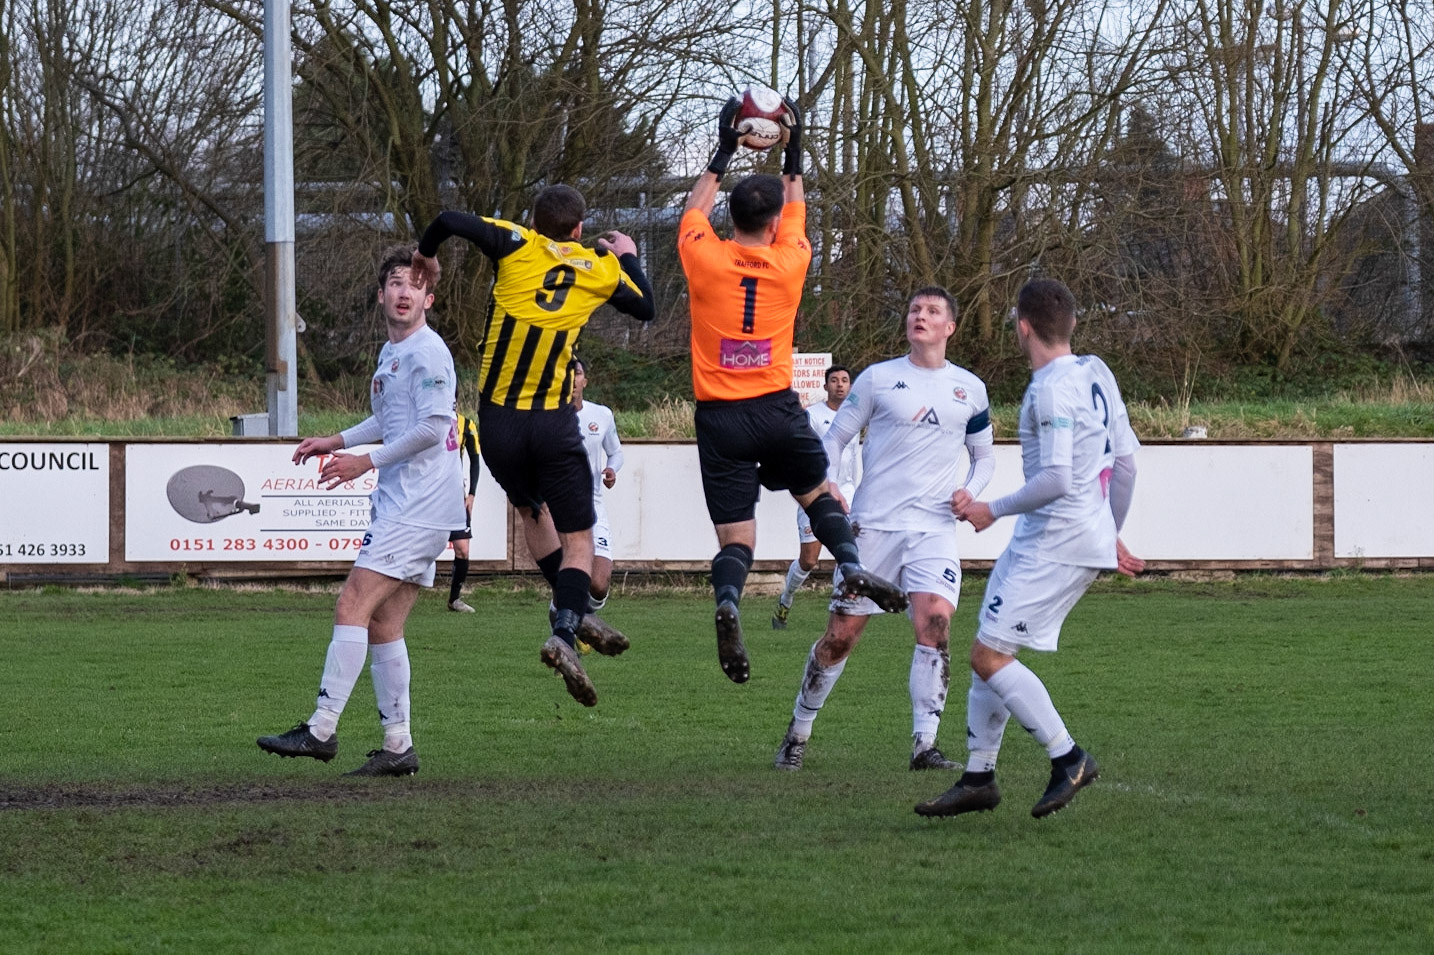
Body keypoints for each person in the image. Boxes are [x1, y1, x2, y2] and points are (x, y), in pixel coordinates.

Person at [677, 95, 907, 684]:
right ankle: (850, 564)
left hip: (721, 416)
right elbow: (796, 193)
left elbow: (693, 208)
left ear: (729, 220)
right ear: (776, 223)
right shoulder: (793, 259)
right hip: (778, 409)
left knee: (736, 538)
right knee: (817, 496)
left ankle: (729, 601)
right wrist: (794, 142)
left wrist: (727, 145)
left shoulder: (702, 256)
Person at [411, 185, 654, 707]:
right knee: (580, 538)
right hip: (550, 421)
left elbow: (449, 216)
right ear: (580, 229)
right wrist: (629, 256)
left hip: (497, 424)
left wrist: (425, 257)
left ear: (536, 221)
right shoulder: (598, 266)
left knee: (529, 511)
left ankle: (576, 615)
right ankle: (566, 630)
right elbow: (646, 307)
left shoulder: (514, 242)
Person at [915, 277, 1145, 820]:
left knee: (988, 656)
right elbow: (1128, 463)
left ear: (1022, 325)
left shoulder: (1048, 389)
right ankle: (978, 776)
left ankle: (1068, 757)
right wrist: (1108, 531)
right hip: (1066, 537)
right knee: (991, 649)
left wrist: (989, 509)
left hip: (1054, 541)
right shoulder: (1096, 372)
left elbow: (1058, 479)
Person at [257, 244, 466, 777]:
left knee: (352, 602)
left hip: (416, 507)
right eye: (395, 283)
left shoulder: (427, 351)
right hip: (412, 505)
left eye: (414, 285)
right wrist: (336, 440)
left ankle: (321, 730)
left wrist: (362, 463)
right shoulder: (391, 354)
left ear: (429, 297)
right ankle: (399, 746)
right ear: (380, 295)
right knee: (384, 623)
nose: (404, 292)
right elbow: (392, 421)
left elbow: (434, 428)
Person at [773, 288, 995, 772]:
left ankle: (924, 745)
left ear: (949, 327)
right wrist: (828, 483)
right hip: (873, 526)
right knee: (840, 637)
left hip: (934, 529)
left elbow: (984, 458)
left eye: (933, 311)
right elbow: (834, 438)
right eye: (915, 309)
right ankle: (798, 730)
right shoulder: (878, 378)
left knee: (935, 625)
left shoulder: (970, 389)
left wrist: (970, 492)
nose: (920, 316)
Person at [771, 364, 861, 629]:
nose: (840, 384)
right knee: (809, 559)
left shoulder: (856, 418)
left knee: (848, 551)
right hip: (816, 493)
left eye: (845, 380)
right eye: (835, 380)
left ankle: (843, 606)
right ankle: (785, 602)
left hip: (847, 494)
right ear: (825, 386)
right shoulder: (812, 416)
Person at [571, 357, 622, 611]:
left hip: (593, 506)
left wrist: (611, 469)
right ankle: (568, 623)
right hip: (559, 508)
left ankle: (580, 619)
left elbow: (616, 452)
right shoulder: (546, 417)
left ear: (585, 381)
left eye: (577, 373)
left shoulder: (601, 415)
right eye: (566, 373)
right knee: (571, 578)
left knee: (599, 583)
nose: (572, 379)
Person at [446, 410, 481, 613]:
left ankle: (454, 599)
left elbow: (475, 459)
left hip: (455, 497)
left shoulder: (466, 425)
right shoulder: (426, 419)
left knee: (463, 549)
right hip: (428, 496)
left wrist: (472, 494)